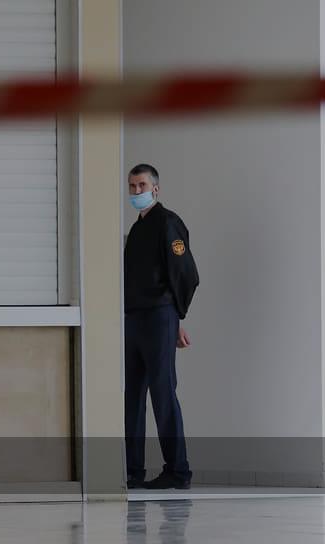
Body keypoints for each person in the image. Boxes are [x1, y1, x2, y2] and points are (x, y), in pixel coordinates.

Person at [123, 163, 199, 490]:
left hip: (159, 316)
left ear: (155, 188)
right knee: (133, 396)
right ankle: (132, 470)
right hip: (134, 318)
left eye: (141, 185)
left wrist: (176, 316)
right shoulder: (137, 229)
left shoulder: (168, 223)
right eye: (132, 186)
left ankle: (178, 471)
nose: (136, 192)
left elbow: (185, 274)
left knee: (163, 392)